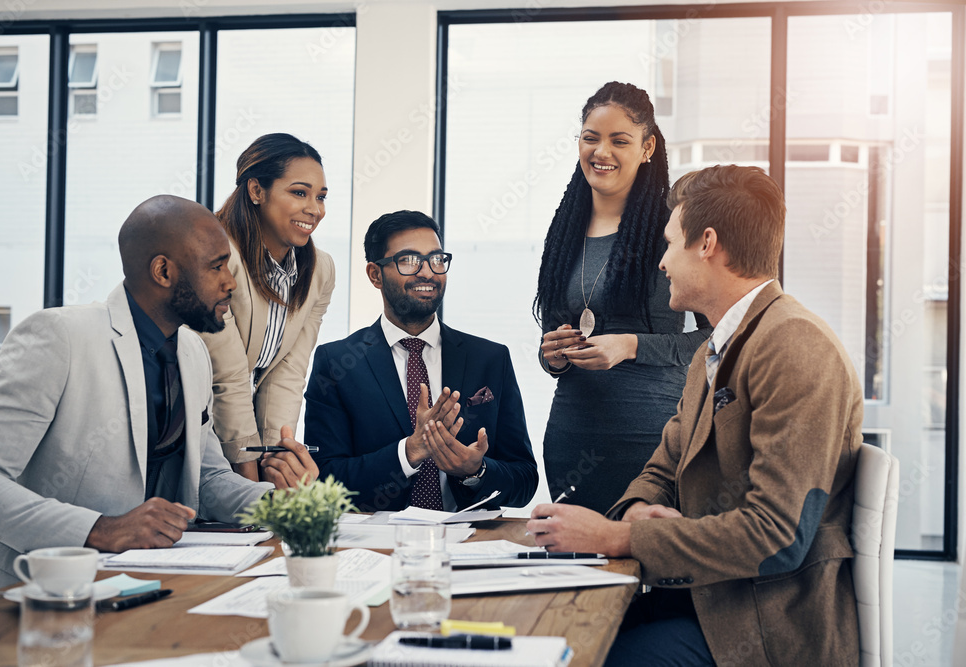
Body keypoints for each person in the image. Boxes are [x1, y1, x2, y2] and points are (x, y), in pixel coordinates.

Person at [527, 165, 862, 667]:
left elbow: (777, 536)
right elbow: (662, 468)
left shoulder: (795, 345)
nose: (661, 263)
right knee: (556, 628)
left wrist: (621, 536)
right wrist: (639, 509)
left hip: (763, 626)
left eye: (669, 244)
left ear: (707, 244)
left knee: (582, 651)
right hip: (708, 596)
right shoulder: (716, 348)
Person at [0, 196, 318, 595]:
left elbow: (206, 478)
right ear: (164, 271)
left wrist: (283, 506)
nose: (231, 283)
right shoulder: (58, 336)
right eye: (216, 266)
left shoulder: (192, 351)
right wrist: (102, 529)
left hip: (148, 586)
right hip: (23, 595)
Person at [535, 82, 711, 514]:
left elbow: (713, 338)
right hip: (572, 440)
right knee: (581, 574)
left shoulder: (672, 231)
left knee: (650, 570)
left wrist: (630, 345)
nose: (601, 152)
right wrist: (553, 354)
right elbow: (555, 334)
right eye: (591, 138)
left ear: (648, 147)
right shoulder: (565, 229)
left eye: (619, 140)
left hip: (651, 442)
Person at [305, 210, 538, 513]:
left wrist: (476, 471)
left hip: (468, 544)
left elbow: (524, 481)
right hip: (379, 546)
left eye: (437, 259)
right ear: (375, 274)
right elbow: (323, 480)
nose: (427, 272)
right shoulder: (336, 362)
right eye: (409, 261)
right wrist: (409, 452)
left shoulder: (490, 359)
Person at [197, 133, 335, 483]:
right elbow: (226, 374)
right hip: (187, 421)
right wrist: (250, 477)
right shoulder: (217, 257)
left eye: (320, 197)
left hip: (230, 424)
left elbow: (288, 372)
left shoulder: (319, 270)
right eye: (299, 193)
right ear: (256, 191)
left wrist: (276, 458)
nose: (314, 209)